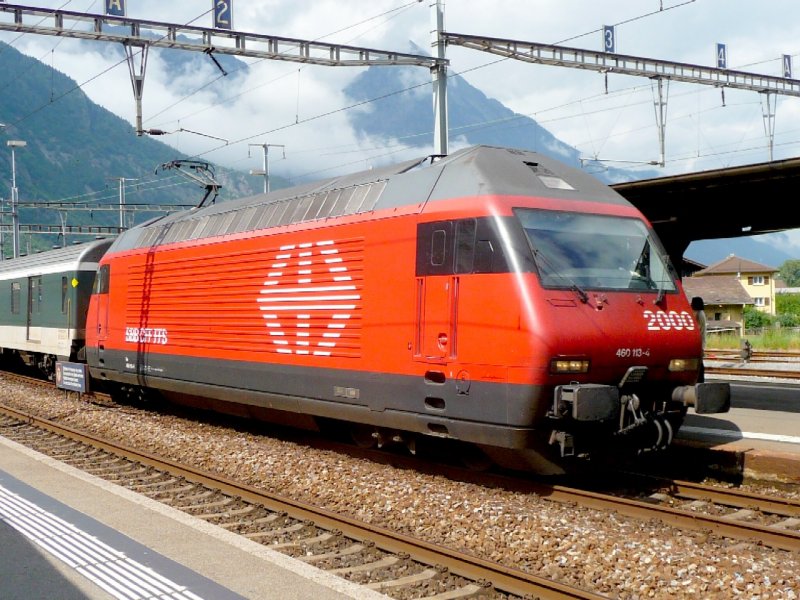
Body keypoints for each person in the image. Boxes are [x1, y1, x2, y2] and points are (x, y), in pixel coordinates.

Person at [691, 296, 707, 382]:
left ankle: (700, 381)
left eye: (692, 302)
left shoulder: (699, 314)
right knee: (698, 363)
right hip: (700, 342)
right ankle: (699, 380)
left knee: (699, 364)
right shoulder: (701, 313)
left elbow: (698, 329)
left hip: (698, 342)